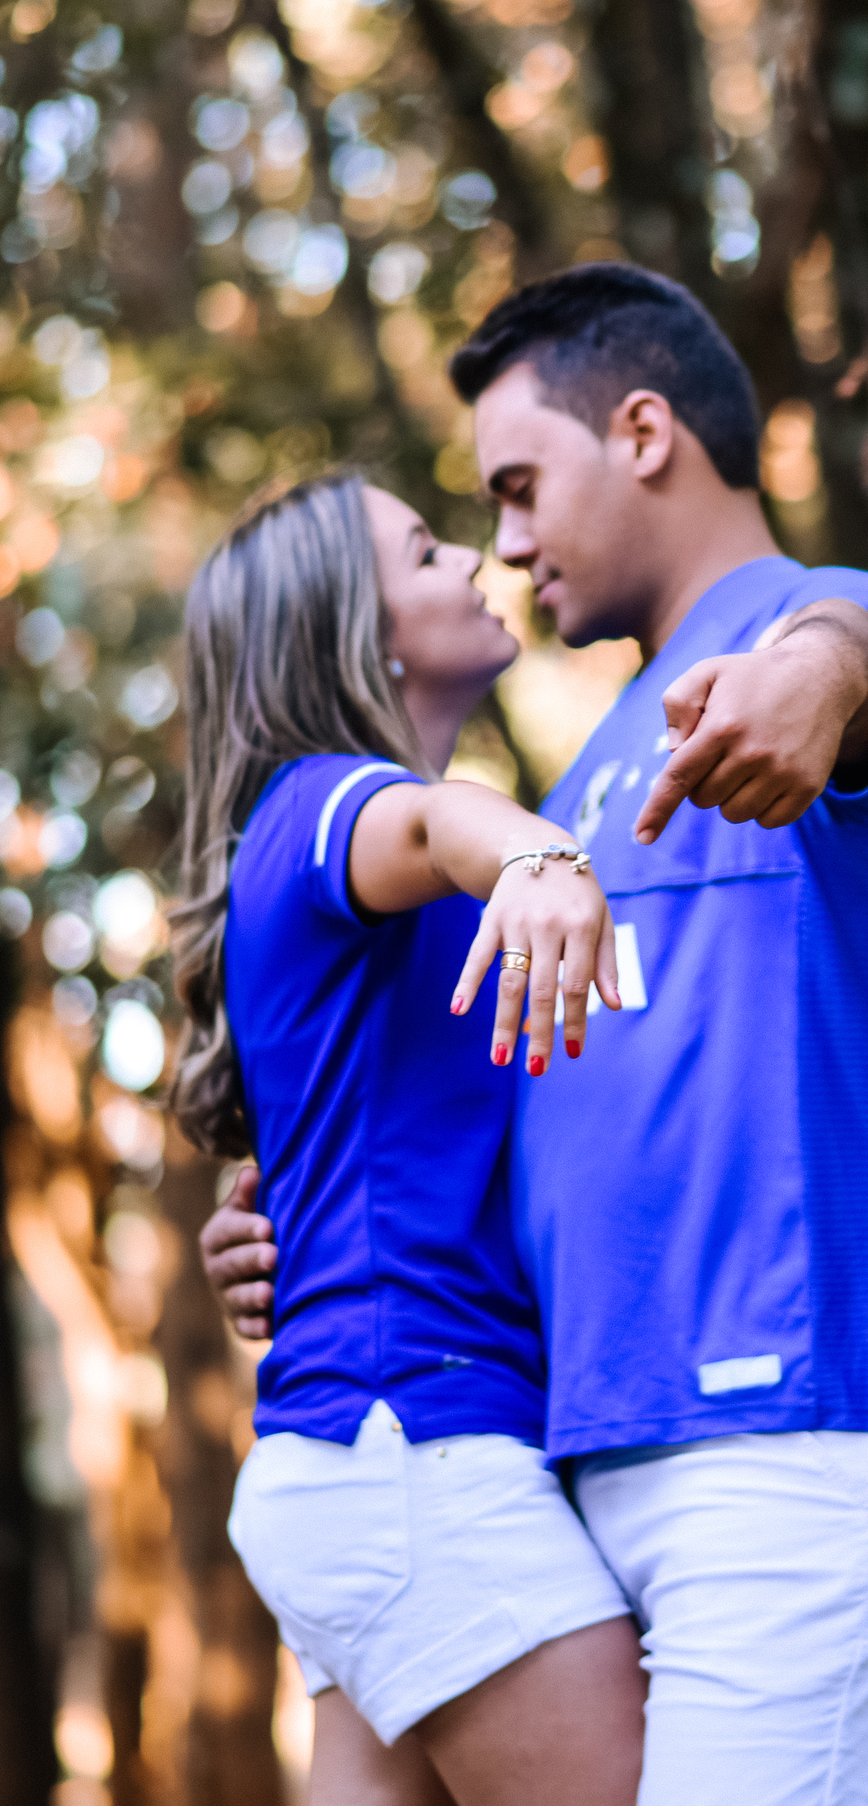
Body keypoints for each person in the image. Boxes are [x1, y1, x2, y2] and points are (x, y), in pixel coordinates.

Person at [202, 264, 868, 1806]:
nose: (503, 543)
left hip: (798, 1427)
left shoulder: (804, 636)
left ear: (643, 431)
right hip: (593, 1446)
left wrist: (809, 678)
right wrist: (291, 1229)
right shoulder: (574, 795)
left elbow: (853, 648)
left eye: (516, 487)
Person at [172, 469, 647, 1806]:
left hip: (360, 1459)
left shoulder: (335, 858)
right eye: (428, 550)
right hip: (416, 1446)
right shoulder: (334, 804)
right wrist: (544, 862)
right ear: (353, 627)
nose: (473, 561)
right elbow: (440, 824)